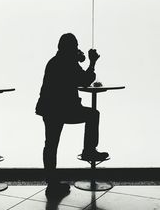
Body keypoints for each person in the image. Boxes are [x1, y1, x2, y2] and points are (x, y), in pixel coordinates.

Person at [35, 33, 108, 195]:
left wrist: (78, 60)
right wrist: (92, 62)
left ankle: (51, 183)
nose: (77, 49)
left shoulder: (55, 61)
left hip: (49, 108)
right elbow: (85, 80)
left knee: (51, 144)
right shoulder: (68, 62)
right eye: (75, 46)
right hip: (64, 109)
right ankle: (89, 150)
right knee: (93, 115)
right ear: (71, 47)